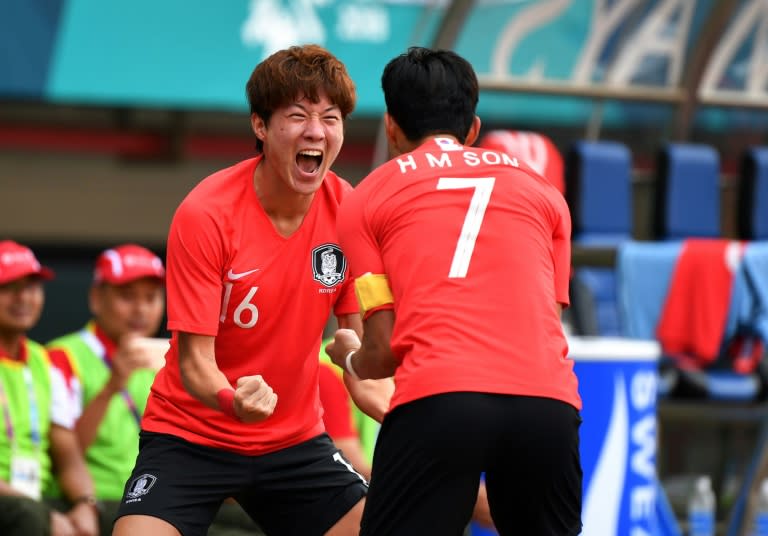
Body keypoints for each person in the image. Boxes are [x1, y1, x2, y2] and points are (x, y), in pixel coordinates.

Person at [113, 44, 389, 536]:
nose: (316, 131)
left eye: (330, 117)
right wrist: (231, 399)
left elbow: (356, 339)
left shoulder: (351, 211)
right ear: (260, 126)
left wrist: (387, 392)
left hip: (294, 441)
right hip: (191, 431)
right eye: (298, 115)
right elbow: (196, 360)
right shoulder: (207, 213)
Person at [326, 47, 583, 535]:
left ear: (392, 127)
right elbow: (545, 321)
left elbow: (382, 351)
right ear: (473, 129)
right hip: (547, 405)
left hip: (440, 400)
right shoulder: (546, 194)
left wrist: (351, 361)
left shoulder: (366, 198)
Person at [46, 244, 166, 535]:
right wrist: (112, 386)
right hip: (96, 500)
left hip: (158, 500)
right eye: (127, 297)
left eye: (151, 298)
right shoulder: (62, 355)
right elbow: (61, 456)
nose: (141, 309)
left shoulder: (168, 359)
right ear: (96, 298)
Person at [0, 240, 99, 536]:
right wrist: (45, 515)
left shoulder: (45, 362)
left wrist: (86, 503)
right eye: (7, 288)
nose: (23, 298)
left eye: (31, 287)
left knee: (118, 517)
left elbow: (68, 453)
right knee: (29, 515)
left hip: (33, 499)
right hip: (18, 504)